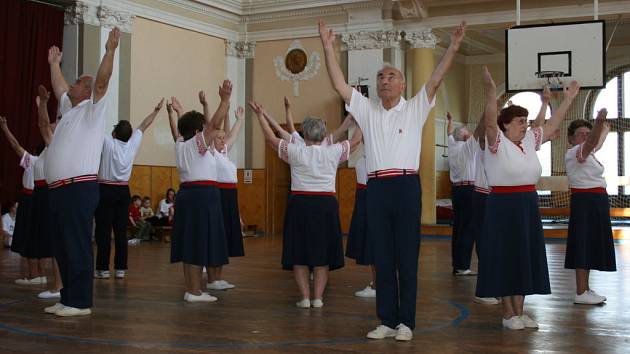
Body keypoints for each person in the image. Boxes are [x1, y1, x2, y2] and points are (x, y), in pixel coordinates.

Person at [319, 19, 465, 341]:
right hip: (377, 188)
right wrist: (329, 47)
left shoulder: (415, 109)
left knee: (406, 256)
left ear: (402, 84)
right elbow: (340, 84)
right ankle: (386, 320)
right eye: (381, 77)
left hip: (405, 187)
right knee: (382, 256)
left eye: (391, 77)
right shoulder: (367, 111)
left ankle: (406, 323)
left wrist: (452, 47)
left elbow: (436, 79)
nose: (385, 81)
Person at [475, 67, 580, 330]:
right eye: (520, 121)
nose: (526, 124)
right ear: (506, 125)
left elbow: (552, 125)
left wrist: (567, 99)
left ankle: (520, 312)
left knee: (523, 256)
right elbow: (489, 122)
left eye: (526, 120)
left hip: (527, 205)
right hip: (502, 207)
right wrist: (490, 91)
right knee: (505, 257)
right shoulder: (496, 141)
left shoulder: (530, 141)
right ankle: (508, 314)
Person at [250, 101, 362, 309]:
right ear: (323, 135)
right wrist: (362, 121)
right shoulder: (333, 151)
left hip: (300, 204)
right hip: (326, 205)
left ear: (305, 134)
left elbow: (271, 138)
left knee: (299, 253)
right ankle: (318, 298)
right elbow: (355, 141)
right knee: (322, 255)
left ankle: (304, 297)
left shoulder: (296, 151)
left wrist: (260, 117)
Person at [43, 27, 120, 317]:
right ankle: (67, 297)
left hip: (78, 188)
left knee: (76, 244)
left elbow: (102, 83)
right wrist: (53, 65)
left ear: (86, 92)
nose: (71, 85)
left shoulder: (92, 110)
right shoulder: (69, 109)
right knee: (61, 245)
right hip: (60, 189)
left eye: (77, 82)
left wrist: (109, 51)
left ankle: (80, 302)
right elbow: (60, 87)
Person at [167, 82, 232, 303]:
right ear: (197, 132)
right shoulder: (196, 144)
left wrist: (178, 112)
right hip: (202, 195)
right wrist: (224, 101)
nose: (209, 131)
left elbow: (178, 130)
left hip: (189, 193)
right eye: (202, 128)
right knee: (196, 242)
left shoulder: (180, 143)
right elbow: (213, 124)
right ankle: (194, 292)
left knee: (190, 242)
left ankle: (191, 289)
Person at [94, 98, 164, 280]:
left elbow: (95, 124)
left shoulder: (109, 143)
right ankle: (120, 269)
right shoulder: (132, 144)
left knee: (103, 230)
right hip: (123, 191)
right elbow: (144, 125)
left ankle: (102, 269)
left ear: (115, 132)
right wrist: (156, 111)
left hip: (106, 189)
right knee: (120, 231)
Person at [564, 109, 616, 305]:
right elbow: (593, 143)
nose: (585, 137)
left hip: (595, 202)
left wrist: (603, 131)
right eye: (581, 134)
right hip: (585, 202)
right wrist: (599, 122)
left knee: (590, 243)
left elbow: (596, 143)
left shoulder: (589, 153)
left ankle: (585, 289)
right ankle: (580, 291)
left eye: (588, 133)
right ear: (571, 139)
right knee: (583, 244)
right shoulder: (575, 152)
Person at [0, 116, 47, 284]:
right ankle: (41, 275)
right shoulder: (51, 163)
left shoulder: (33, 161)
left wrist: (5, 128)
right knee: (39, 236)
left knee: (28, 237)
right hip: (43, 200)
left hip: (29, 199)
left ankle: (33, 276)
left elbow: (15, 145)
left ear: (35, 152)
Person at [207, 106, 245, 291]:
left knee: (225, 240)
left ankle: (218, 278)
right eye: (219, 138)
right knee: (216, 238)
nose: (223, 140)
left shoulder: (224, 153)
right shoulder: (211, 153)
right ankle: (212, 278)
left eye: (223, 138)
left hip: (230, 197)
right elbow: (210, 125)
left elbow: (234, 136)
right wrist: (209, 106)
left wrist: (239, 119)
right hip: (219, 196)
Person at [33, 86, 63, 299]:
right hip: (61, 190)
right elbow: (45, 125)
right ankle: (61, 286)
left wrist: (42, 104)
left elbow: (45, 126)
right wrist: (41, 105)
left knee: (60, 241)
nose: (53, 124)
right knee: (60, 240)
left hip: (59, 191)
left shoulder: (58, 140)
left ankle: (60, 286)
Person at [447, 112, 477, 276]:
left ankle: (457, 264)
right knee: (467, 228)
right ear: (466, 137)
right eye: (468, 133)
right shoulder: (467, 147)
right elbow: (477, 135)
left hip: (456, 191)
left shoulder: (452, 146)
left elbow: (449, 133)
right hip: (468, 191)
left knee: (458, 227)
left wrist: (450, 121)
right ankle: (462, 266)